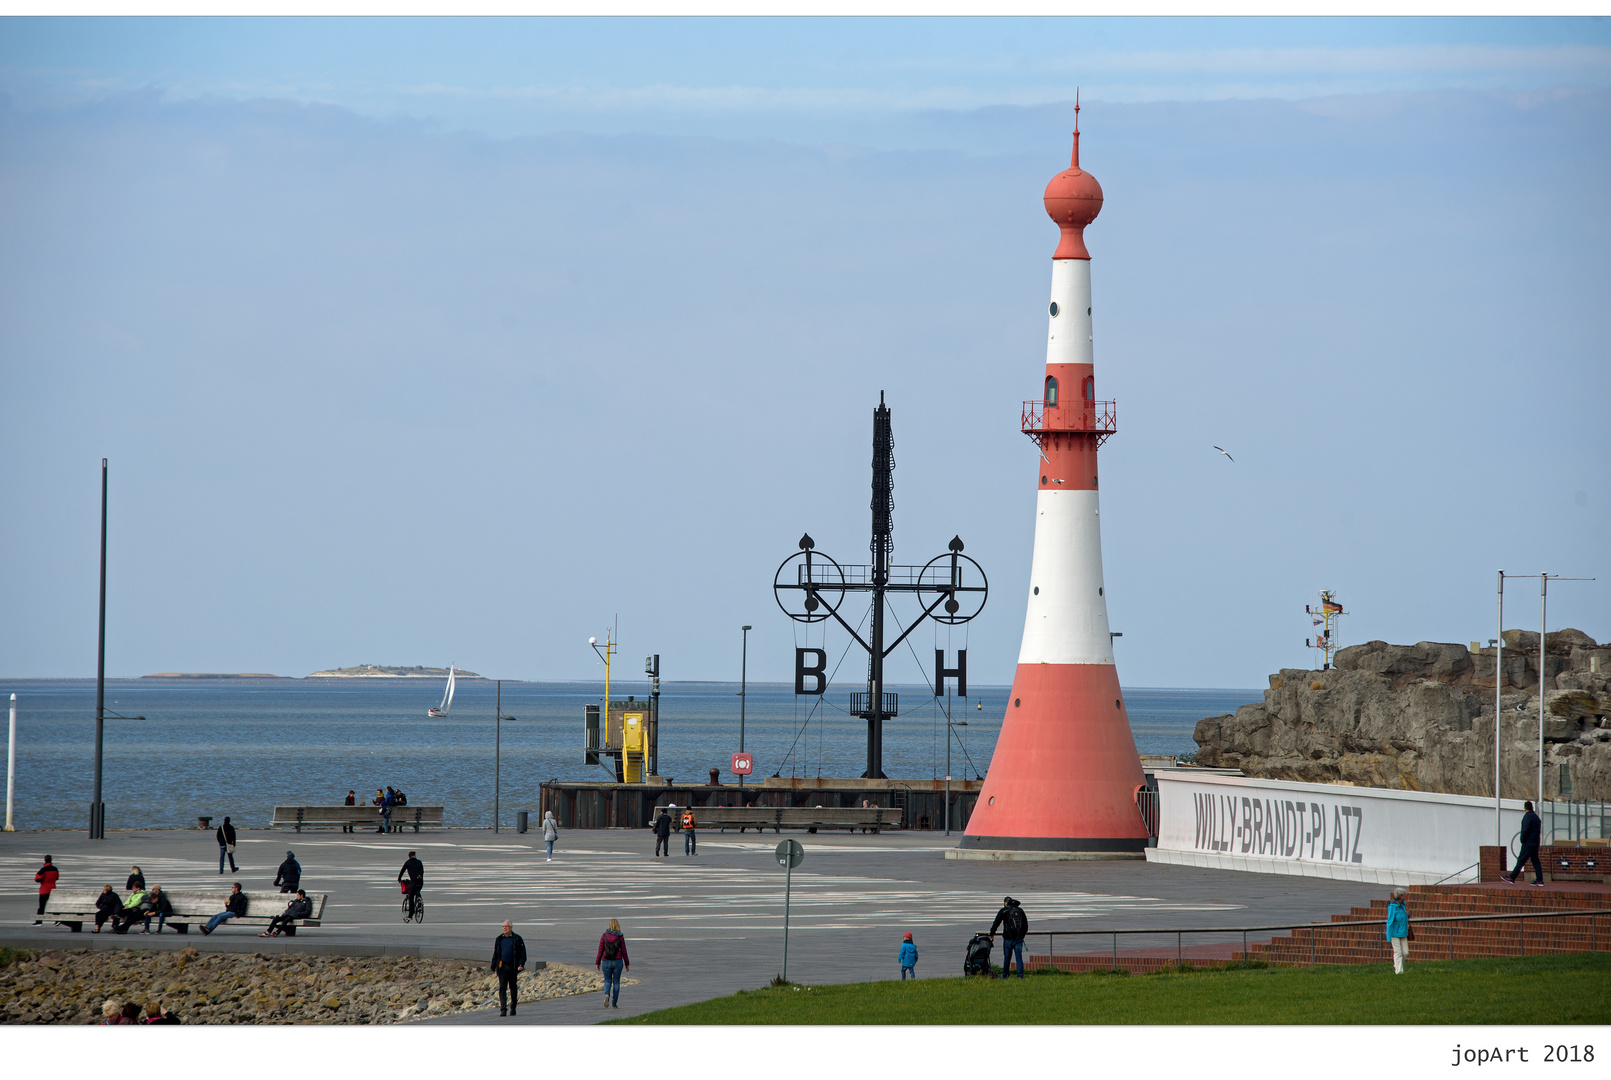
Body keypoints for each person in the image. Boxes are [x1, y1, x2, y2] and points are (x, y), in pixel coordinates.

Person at [490, 920, 527, 1017]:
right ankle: (503, 1009)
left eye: (506, 926)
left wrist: (521, 964)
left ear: (511, 928)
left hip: (513, 967)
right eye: (503, 926)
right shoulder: (499, 939)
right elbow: (496, 953)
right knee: (502, 988)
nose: (504, 928)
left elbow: (522, 953)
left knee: (513, 988)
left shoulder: (517, 939)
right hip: (502, 967)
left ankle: (513, 1007)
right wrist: (493, 966)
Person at [1503, 801, 1545, 885]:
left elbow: (1525, 829)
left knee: (1521, 859)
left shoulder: (1527, 817)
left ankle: (1512, 877)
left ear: (1525, 808)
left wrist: (1522, 840)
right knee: (1535, 861)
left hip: (1528, 842)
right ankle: (1539, 880)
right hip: (1536, 842)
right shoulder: (1536, 818)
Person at [990, 896, 1028, 979]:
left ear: (1005, 903)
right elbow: (1025, 925)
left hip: (1008, 938)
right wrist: (1021, 936)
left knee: (1007, 957)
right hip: (1019, 939)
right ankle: (1020, 976)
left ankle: (1005, 975)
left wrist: (992, 933)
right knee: (1019, 957)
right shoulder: (1020, 911)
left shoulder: (1004, 911)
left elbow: (996, 922)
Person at [596, 918, 629, 1008]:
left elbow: (600, 950)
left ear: (610, 925)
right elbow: (624, 951)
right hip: (617, 961)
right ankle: (614, 1003)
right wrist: (627, 963)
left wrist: (597, 962)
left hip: (606, 961)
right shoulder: (620, 936)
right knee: (616, 982)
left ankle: (607, 994)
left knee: (607, 980)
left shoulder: (604, 936)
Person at [1385, 887, 1411, 974]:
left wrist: (1407, 915)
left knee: (1405, 952)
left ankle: (1398, 965)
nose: (1405, 895)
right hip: (1395, 933)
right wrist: (1389, 936)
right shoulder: (1393, 907)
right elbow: (1390, 921)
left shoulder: (1403, 905)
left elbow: (1403, 917)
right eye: (1404, 894)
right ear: (1400, 896)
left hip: (1403, 932)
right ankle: (1399, 971)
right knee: (1398, 952)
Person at [33, 855, 59, 924]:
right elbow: (57, 878)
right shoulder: (55, 869)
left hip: (44, 890)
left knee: (41, 907)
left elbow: (37, 879)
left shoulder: (43, 869)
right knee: (53, 906)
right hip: (53, 890)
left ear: (44, 860)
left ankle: (39, 921)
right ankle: (57, 920)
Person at [398, 850, 424, 919]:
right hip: (420, 882)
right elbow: (422, 871)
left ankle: (410, 915)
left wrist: (399, 879)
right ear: (415, 855)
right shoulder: (419, 862)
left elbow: (402, 871)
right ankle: (419, 903)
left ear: (409, 856)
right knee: (418, 891)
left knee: (411, 896)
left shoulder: (408, 863)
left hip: (413, 882)